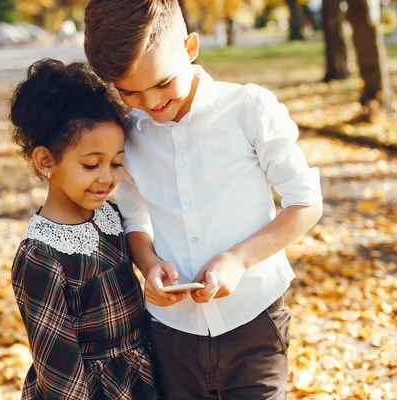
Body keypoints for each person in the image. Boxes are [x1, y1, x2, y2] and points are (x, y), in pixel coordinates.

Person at [84, 1, 323, 399]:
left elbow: (305, 203)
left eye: (163, 83)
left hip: (253, 320)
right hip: (170, 332)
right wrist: (148, 264)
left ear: (191, 47)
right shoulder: (128, 134)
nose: (153, 102)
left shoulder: (248, 109)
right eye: (131, 92)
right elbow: (133, 218)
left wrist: (239, 259)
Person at [9, 59, 157, 400]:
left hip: (140, 377)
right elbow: (57, 368)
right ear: (46, 161)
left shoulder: (112, 217)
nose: (106, 177)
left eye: (116, 163)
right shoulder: (41, 254)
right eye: (91, 164)